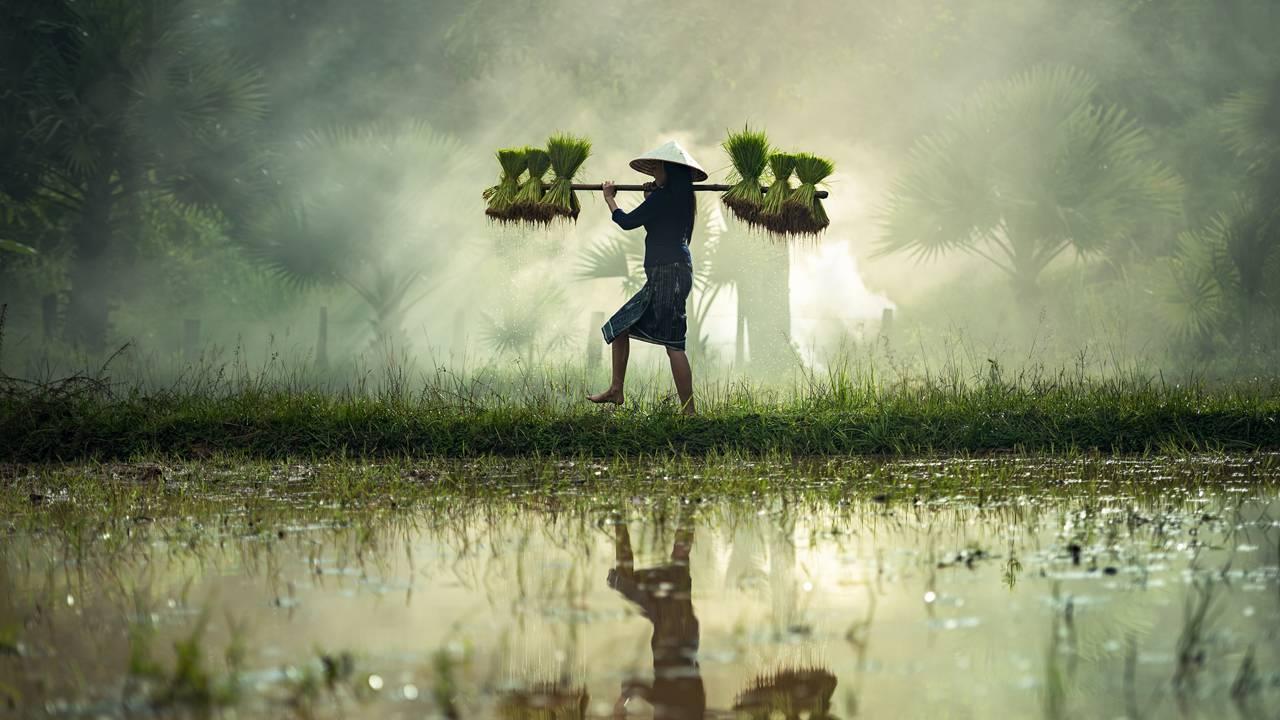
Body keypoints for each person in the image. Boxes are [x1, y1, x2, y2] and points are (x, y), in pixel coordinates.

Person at [587, 141, 706, 415]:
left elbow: (627, 222)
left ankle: (689, 412)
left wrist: (609, 198)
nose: (653, 173)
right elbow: (656, 222)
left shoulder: (665, 198)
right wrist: (650, 198)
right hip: (671, 272)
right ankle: (617, 389)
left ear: (668, 170)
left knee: (673, 343)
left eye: (657, 168)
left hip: (668, 273)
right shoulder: (679, 198)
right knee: (621, 327)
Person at [607, 511, 705, 720]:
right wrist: (623, 700)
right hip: (676, 632)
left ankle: (688, 506)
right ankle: (618, 516)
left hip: (678, 630)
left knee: (677, 567)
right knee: (623, 581)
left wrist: (627, 696)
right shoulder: (678, 709)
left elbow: (639, 689)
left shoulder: (680, 707)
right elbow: (636, 687)